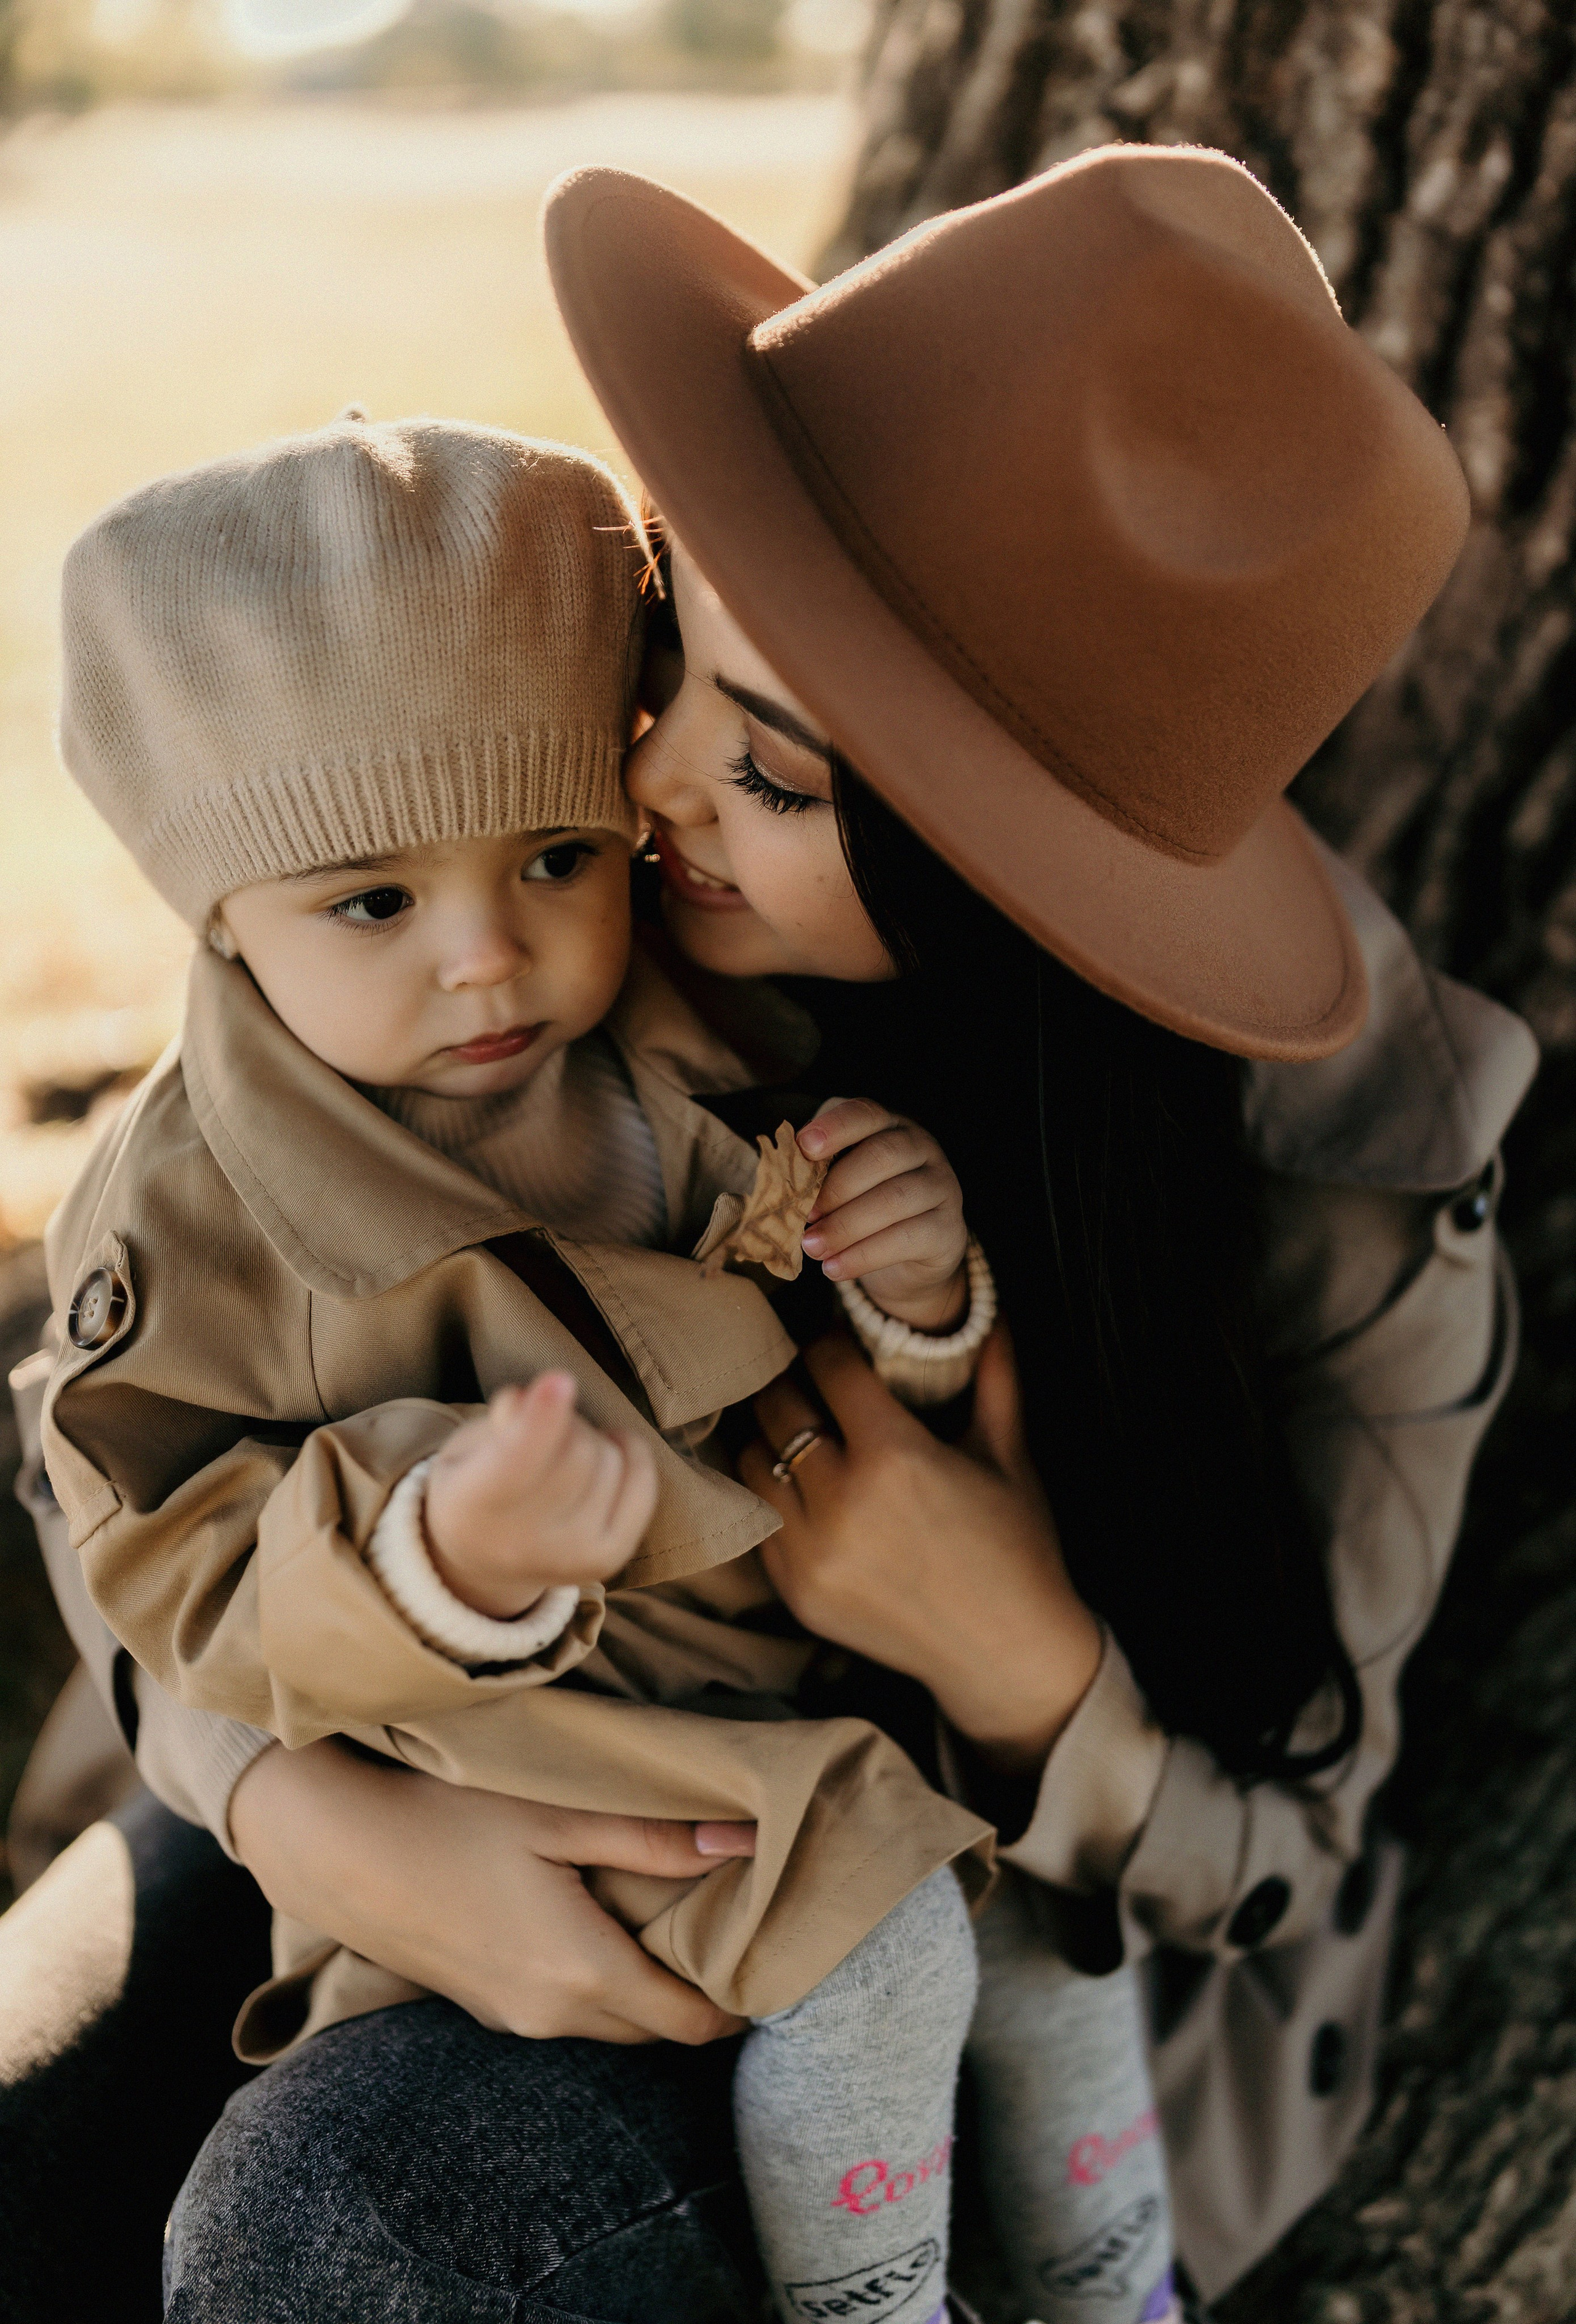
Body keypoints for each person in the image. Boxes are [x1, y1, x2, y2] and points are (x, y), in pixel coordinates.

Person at [2, 144, 1535, 2323]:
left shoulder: (1331, 1193)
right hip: (390, 1732)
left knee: (350, 2222)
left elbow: (1278, 1856)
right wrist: (285, 1805)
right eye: (672, 661)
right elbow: (133, 1405)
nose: (642, 793)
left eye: (779, 776)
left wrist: (1021, 1659)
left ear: (1005, 878)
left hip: (921, 1945)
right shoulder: (526, 903)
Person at [42, 407, 1190, 2324]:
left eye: (559, 855)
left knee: (1057, 1957)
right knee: (890, 1954)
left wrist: (914, 1299)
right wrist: (437, 1562)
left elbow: (847, 1411)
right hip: (540, 1756)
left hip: (809, 1695)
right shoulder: (195, 1207)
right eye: (376, 901)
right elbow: (155, 1536)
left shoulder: (669, 1045)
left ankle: (1126, 2286)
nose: (490, 958)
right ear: (217, 916)